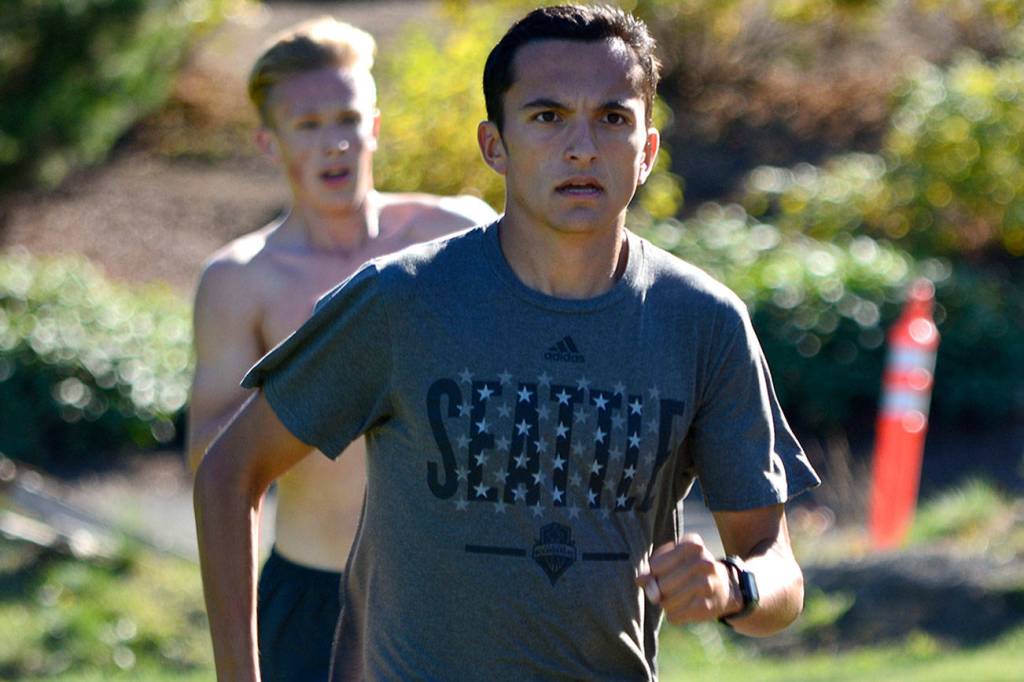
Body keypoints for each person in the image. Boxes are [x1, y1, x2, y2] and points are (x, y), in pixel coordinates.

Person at [194, 5, 820, 680]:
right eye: (548, 117)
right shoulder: (402, 300)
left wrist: (734, 585)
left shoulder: (704, 322)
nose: (582, 147)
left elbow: (777, 571)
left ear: (647, 151)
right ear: (495, 145)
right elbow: (228, 472)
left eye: (613, 118)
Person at [186, 16, 497, 682]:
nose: (335, 143)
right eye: (308, 125)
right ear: (269, 142)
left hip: (455, 594)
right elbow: (208, 456)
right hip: (314, 600)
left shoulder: (457, 234)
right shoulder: (241, 280)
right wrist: (314, 395)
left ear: (375, 126)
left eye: (349, 119)